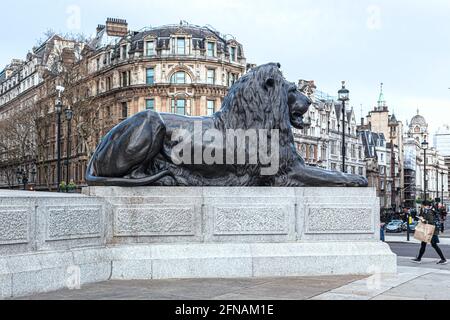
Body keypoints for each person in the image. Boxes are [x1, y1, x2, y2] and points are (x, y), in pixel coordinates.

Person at [412, 201, 447, 265]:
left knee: (434, 245)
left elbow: (431, 221)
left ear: (425, 205)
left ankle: (443, 259)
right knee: (423, 244)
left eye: (422, 205)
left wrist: (423, 220)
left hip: (431, 230)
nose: (421, 206)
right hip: (429, 230)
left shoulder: (429, 211)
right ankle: (419, 258)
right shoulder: (428, 210)